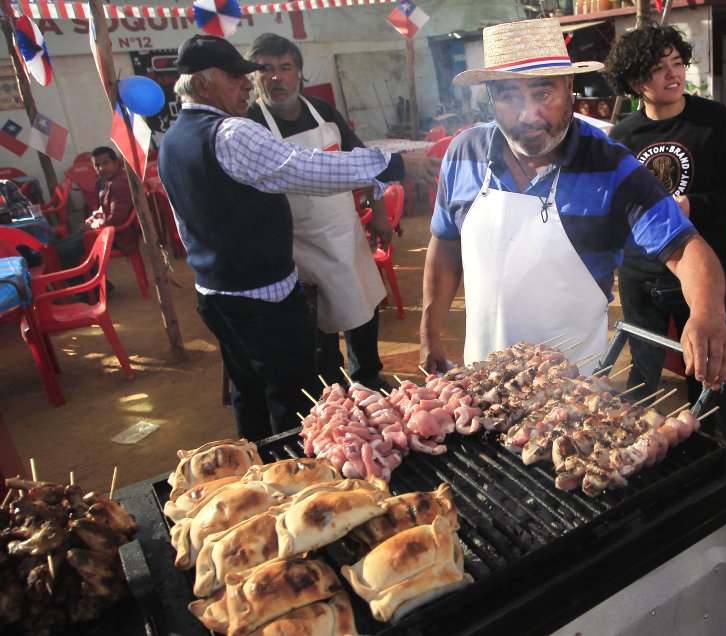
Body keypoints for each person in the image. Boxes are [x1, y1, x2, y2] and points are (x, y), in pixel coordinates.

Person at [420, 18, 726, 392]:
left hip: (571, 398)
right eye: (509, 97)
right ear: (489, 97)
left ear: (570, 88)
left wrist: (707, 313)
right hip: (483, 379)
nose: (529, 116)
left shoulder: (612, 167)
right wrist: (429, 331)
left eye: (543, 94)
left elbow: (686, 249)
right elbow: (445, 242)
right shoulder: (463, 154)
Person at [159, 34, 439, 441]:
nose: (247, 83)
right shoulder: (232, 133)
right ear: (201, 85)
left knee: (249, 390)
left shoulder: (172, 139)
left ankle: (259, 464)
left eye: (249, 74)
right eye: (236, 76)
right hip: (262, 298)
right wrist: (392, 164)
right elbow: (307, 170)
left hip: (216, 292)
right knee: (295, 399)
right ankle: (296, 475)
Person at [603, 24, 726, 400]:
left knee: (705, 372)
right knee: (642, 374)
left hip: (701, 273)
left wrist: (694, 205)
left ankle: (707, 443)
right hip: (639, 276)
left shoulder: (716, 123)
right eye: (658, 68)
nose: (673, 74)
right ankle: (641, 449)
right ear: (634, 80)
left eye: (677, 62)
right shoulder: (622, 137)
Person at [244, 33, 391, 391]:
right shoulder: (250, 124)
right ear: (253, 77)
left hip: (343, 228)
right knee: (317, 323)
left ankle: (366, 374)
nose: (276, 77)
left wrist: (381, 211)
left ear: (299, 73)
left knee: (363, 305)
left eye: (285, 68)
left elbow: (360, 162)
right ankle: (331, 388)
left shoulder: (321, 111)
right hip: (296, 243)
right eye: (266, 69)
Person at [55, 146, 139, 288]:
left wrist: (94, 226)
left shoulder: (120, 183)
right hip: (103, 230)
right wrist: (92, 219)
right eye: (97, 165)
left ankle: (90, 292)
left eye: (106, 163)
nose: (101, 168)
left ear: (116, 162)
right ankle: (97, 286)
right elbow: (103, 210)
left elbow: (117, 218)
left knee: (63, 252)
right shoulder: (104, 181)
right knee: (58, 246)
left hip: (118, 236)